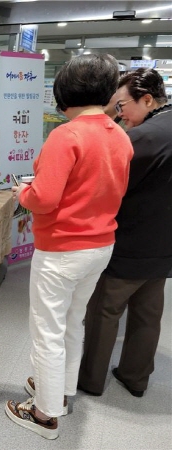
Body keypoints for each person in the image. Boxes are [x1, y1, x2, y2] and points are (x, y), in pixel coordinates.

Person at [6, 54, 134, 440]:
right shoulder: (119, 135)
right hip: (101, 245)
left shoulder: (67, 134)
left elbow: (43, 198)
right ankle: (60, 390)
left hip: (62, 247)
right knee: (72, 322)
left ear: (64, 90)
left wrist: (22, 191)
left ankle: (45, 415)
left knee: (47, 329)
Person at [78, 68, 172, 398]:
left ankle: (90, 380)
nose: (120, 114)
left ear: (147, 99)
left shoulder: (140, 138)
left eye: (121, 106)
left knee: (105, 312)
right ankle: (135, 377)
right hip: (164, 248)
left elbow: (107, 187)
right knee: (148, 316)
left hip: (129, 242)